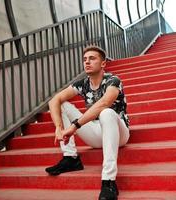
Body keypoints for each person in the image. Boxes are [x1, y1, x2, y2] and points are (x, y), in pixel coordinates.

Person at [45, 46, 130, 200]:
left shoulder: (113, 81)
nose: (87, 62)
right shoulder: (83, 84)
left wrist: (74, 126)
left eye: (92, 58)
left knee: (106, 112)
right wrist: (59, 127)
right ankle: (71, 158)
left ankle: (108, 181)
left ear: (103, 63)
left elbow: (104, 103)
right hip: (96, 133)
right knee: (61, 104)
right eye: (85, 59)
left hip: (118, 133)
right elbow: (54, 100)